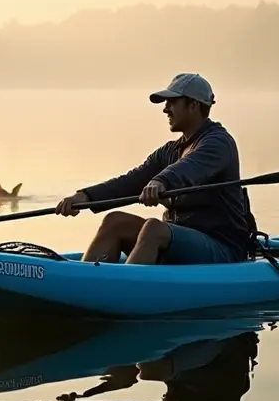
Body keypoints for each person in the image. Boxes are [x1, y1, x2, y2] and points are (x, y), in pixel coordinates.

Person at [54, 73, 251, 265]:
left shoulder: (218, 143)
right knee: (114, 222)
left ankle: (124, 290)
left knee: (154, 229)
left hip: (223, 248)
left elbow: (190, 167)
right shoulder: (169, 151)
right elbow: (131, 180)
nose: (166, 109)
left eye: (172, 102)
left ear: (193, 105)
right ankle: (89, 282)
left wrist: (161, 181)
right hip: (180, 240)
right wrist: (85, 197)